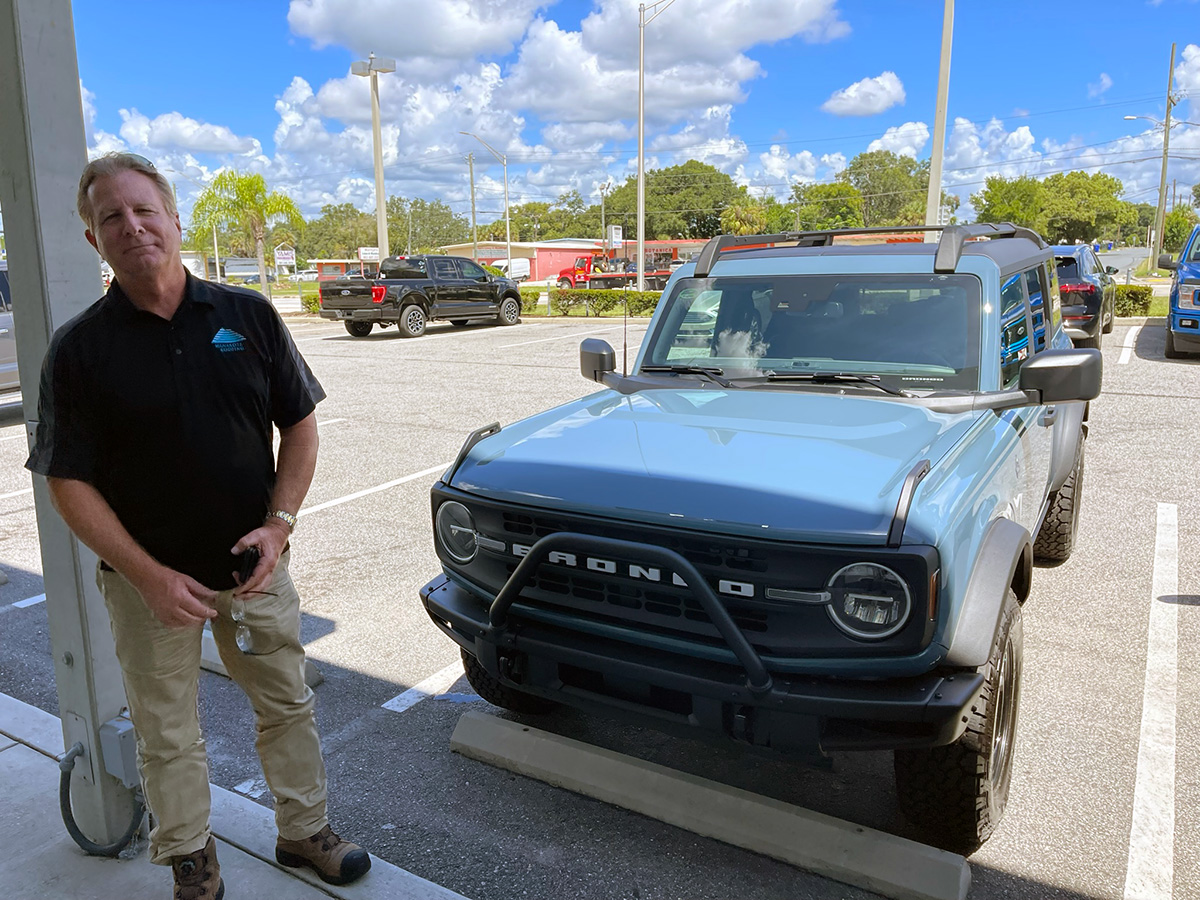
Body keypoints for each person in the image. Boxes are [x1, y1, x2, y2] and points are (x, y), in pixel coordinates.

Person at [26, 152, 370, 899]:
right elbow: (67, 480)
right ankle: (191, 858)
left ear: (175, 220)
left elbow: (301, 426)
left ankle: (303, 831)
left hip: (255, 569)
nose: (132, 226)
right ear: (93, 240)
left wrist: (278, 528)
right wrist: (148, 577)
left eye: (144, 209)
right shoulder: (81, 350)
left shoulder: (246, 316)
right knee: (166, 730)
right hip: (148, 587)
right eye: (110, 217)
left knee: (286, 702)